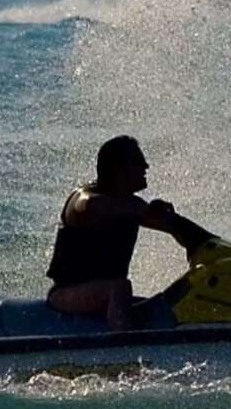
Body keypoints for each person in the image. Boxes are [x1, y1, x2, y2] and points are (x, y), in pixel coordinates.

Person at [45, 135, 221, 330]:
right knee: (120, 288)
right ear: (118, 170)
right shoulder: (86, 199)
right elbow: (88, 205)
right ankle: (123, 351)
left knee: (175, 300)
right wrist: (138, 210)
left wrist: (210, 247)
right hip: (66, 294)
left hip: (98, 294)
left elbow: (174, 227)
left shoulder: (131, 204)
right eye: (138, 162)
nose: (146, 166)